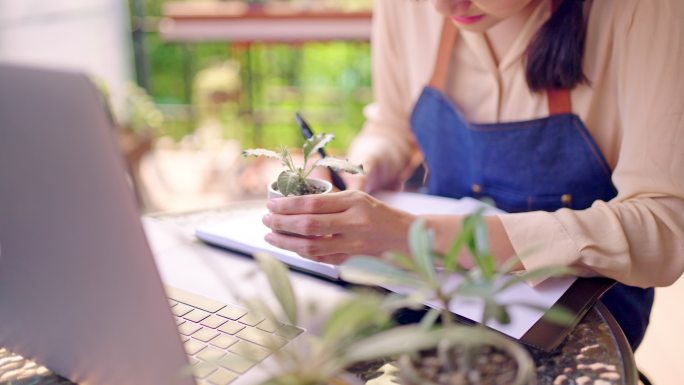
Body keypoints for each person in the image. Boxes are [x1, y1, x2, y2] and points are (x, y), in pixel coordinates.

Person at [262, 0, 684, 350]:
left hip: (580, 317)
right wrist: (361, 171)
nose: (442, 7)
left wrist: (416, 236)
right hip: (430, 295)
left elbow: (664, 226)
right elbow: (391, 124)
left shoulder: (644, 11)